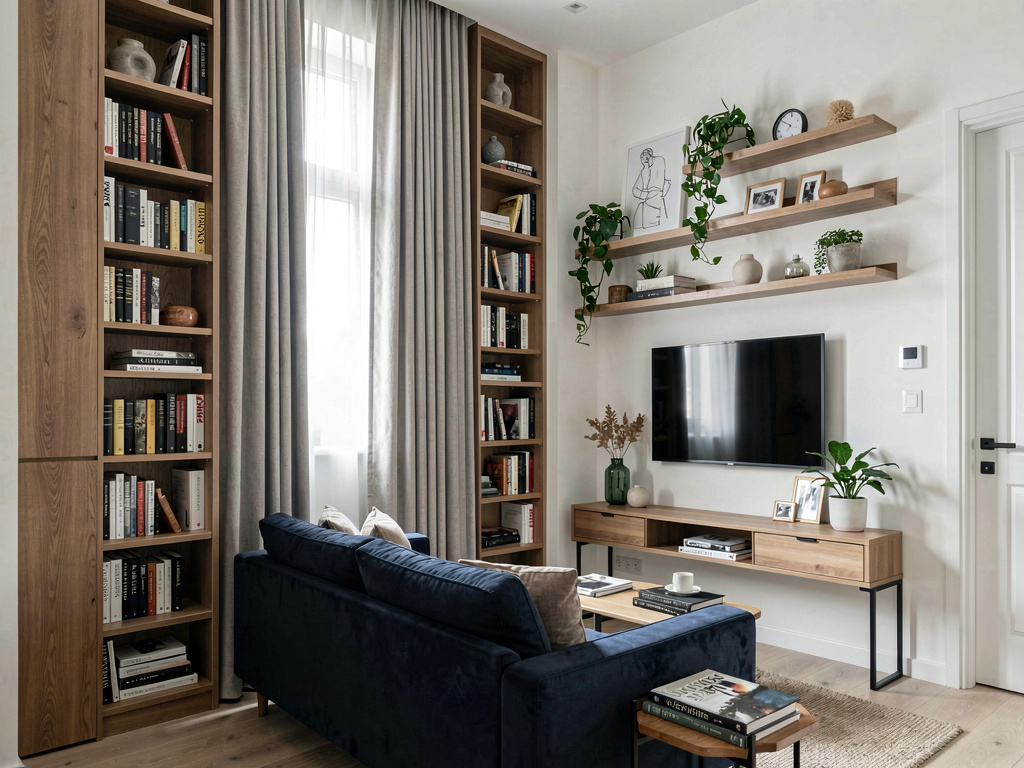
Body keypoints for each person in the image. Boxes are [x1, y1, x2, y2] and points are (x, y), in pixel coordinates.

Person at [632, 148, 670, 229]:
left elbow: (657, 188)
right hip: (644, 204)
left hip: (654, 205)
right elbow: (634, 190)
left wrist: (643, 194)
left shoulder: (659, 161)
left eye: (647, 157)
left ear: (651, 156)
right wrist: (645, 194)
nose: (644, 160)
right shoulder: (644, 170)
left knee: (651, 225)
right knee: (637, 226)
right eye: (642, 158)